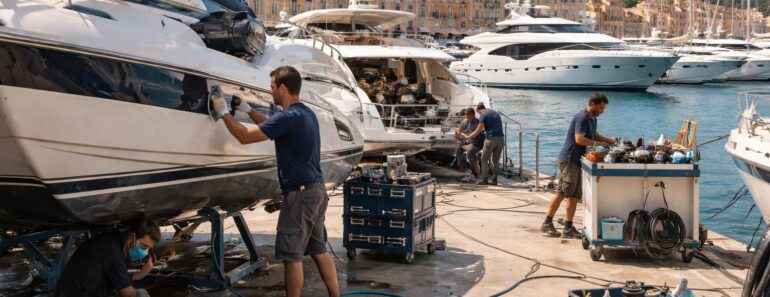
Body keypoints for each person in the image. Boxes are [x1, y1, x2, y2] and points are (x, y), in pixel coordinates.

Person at [211, 66, 340, 297]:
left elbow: (244, 136)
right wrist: (248, 110)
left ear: (282, 87)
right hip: (316, 193)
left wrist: (223, 113)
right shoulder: (305, 113)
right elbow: (273, 126)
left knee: (292, 257)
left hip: (300, 196)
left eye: (272, 87)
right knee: (319, 250)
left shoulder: (289, 116)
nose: (270, 92)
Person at [541, 93, 617, 238]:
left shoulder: (592, 118)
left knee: (575, 195)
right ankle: (547, 223)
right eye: (601, 108)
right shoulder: (582, 117)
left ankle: (568, 227)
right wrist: (599, 144)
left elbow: (593, 134)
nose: (602, 111)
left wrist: (609, 141)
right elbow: (579, 139)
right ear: (593, 104)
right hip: (570, 160)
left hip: (577, 161)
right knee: (563, 193)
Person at [56, 220, 161, 297]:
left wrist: (142, 272)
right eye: (143, 246)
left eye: (147, 249)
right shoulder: (113, 253)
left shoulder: (114, 240)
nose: (144, 252)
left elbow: (119, 277)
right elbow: (128, 294)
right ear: (130, 238)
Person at [462, 103, 505, 185]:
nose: (479, 115)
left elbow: (478, 130)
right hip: (501, 139)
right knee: (495, 161)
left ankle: (484, 179)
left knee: (484, 159)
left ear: (479, 109)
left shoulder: (483, 114)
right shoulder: (495, 112)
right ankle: (495, 180)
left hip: (491, 139)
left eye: (478, 113)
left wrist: (468, 137)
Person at [454, 108, 483, 179]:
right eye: (466, 116)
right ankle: (463, 170)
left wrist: (463, 133)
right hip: (471, 143)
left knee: (470, 153)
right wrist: (457, 131)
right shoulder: (465, 121)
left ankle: (478, 175)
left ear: (473, 115)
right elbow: (459, 130)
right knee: (459, 149)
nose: (468, 118)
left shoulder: (477, 122)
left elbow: (472, 135)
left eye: (469, 117)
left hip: (478, 143)